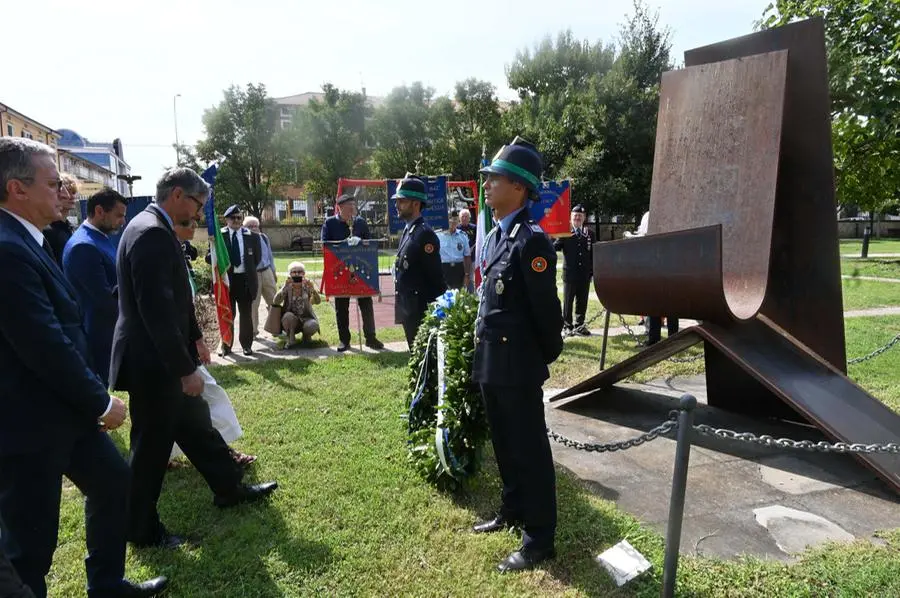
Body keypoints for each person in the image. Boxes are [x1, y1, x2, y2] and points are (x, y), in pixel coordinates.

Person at [0, 138, 167, 597]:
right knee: (29, 545)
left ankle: (107, 584)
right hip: (28, 421)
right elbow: (43, 343)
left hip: (63, 412)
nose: (64, 191)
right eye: (53, 183)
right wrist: (98, 398)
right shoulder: (6, 249)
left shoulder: (27, 236)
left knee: (113, 481)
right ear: (17, 188)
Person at [109, 167, 277, 551]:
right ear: (178, 194)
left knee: (197, 426)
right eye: (199, 205)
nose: (200, 215)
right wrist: (184, 370)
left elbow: (175, 298)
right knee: (150, 448)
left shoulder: (151, 226)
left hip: (163, 356)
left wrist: (197, 338)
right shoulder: (151, 233)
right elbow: (155, 311)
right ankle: (140, 529)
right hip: (155, 363)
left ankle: (228, 487)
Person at [471, 136, 563, 573]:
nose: (487, 187)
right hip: (492, 362)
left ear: (520, 189)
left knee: (529, 450)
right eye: (488, 180)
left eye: (496, 180)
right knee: (505, 445)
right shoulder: (498, 238)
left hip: (519, 366)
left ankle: (539, 538)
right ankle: (511, 509)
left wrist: (540, 358)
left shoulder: (532, 242)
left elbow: (548, 313)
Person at [171, 218, 256, 468]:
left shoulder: (177, 249)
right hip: (172, 350)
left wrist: (197, 338)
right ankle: (224, 455)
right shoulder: (157, 249)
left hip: (181, 344)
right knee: (209, 397)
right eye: (190, 221)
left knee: (178, 406)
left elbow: (185, 305)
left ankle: (221, 453)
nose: (195, 226)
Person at [62, 188, 128, 385]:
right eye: (119, 215)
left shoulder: (98, 238)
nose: (122, 221)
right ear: (100, 211)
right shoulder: (84, 246)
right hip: (101, 336)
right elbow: (103, 301)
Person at [321, 194, 384, 352]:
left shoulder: (360, 222)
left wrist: (360, 241)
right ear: (340, 207)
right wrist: (342, 244)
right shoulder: (329, 223)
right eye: (349, 207)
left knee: (366, 304)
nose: (352, 210)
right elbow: (325, 245)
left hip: (360, 269)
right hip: (340, 270)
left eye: (354, 207)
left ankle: (370, 337)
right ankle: (344, 340)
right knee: (341, 307)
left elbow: (368, 242)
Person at [391, 177, 446, 347]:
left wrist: (436, 314)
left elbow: (435, 278)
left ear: (416, 204)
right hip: (408, 307)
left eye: (402, 201)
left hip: (420, 310)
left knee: (423, 357)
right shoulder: (409, 231)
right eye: (397, 200)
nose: (397, 205)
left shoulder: (424, 235)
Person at [209, 205, 261, 356]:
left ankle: (246, 345)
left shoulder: (252, 236)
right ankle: (226, 345)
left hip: (245, 280)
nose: (237, 221)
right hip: (227, 281)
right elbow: (211, 257)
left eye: (239, 218)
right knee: (228, 314)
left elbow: (256, 260)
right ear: (226, 220)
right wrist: (212, 255)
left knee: (246, 315)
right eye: (233, 218)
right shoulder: (219, 237)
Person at [554, 204, 593, 336]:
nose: (577, 218)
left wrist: (592, 272)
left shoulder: (589, 233)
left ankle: (580, 325)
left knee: (582, 301)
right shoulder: (565, 232)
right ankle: (567, 326)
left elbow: (593, 253)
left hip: (584, 274)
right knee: (568, 302)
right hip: (570, 273)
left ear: (584, 217)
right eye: (575, 216)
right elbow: (556, 247)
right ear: (570, 217)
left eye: (580, 216)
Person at [271, 261, 321, 347]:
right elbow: (275, 301)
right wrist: (284, 287)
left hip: (306, 319)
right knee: (288, 317)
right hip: (291, 320)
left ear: (304, 274)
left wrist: (312, 289)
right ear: (290, 274)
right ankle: (291, 337)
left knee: (313, 325)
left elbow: (318, 301)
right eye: (294, 272)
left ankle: (306, 336)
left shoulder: (308, 285)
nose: (297, 274)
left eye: (300, 272)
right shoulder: (287, 286)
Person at [243, 216, 277, 338]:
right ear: (244, 228)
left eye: (255, 226)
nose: (253, 228)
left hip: (267, 271)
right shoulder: (244, 239)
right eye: (250, 226)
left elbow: (270, 255)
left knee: (274, 300)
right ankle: (253, 331)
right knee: (253, 304)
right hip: (254, 274)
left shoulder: (264, 237)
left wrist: (273, 272)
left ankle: (275, 328)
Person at [41, 172, 78, 266]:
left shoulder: (70, 227)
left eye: (73, 192)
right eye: (67, 191)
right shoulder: (48, 230)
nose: (71, 196)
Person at [436, 210, 472, 290]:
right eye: (450, 219)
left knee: (459, 296)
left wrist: (467, 275)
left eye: (455, 219)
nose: (452, 221)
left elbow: (467, 256)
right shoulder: (437, 236)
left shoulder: (463, 236)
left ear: (458, 221)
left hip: (458, 270)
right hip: (443, 269)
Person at [458, 208, 477, 293]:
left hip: (472, 258)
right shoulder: (457, 229)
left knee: (471, 277)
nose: (464, 218)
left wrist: (472, 248)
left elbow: (478, 241)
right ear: (460, 218)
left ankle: (471, 294)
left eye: (466, 216)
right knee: (461, 277)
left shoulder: (474, 228)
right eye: (463, 216)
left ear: (469, 217)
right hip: (460, 258)